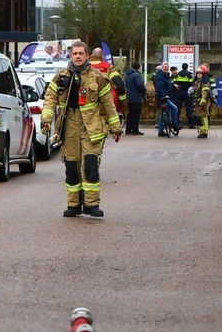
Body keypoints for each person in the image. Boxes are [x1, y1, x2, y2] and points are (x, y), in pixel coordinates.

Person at [40, 40, 122, 218]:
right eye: (74, 53)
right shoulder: (61, 76)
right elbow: (50, 99)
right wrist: (46, 119)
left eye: (81, 53)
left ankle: (92, 205)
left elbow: (108, 104)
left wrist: (116, 127)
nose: (77, 56)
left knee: (91, 165)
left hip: (91, 126)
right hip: (69, 126)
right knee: (71, 166)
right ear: (71, 55)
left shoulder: (98, 77)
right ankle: (74, 205)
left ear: (87, 55)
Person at [89, 47, 127, 127]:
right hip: (105, 100)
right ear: (102, 56)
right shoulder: (108, 67)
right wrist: (122, 102)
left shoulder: (84, 66)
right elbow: (119, 84)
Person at [151, 62, 178, 137]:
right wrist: (164, 95)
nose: (166, 68)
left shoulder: (166, 75)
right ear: (162, 68)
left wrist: (173, 85)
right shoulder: (159, 76)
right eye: (165, 67)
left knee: (163, 116)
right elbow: (159, 88)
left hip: (167, 96)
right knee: (174, 108)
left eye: (167, 67)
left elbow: (167, 84)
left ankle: (160, 131)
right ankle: (175, 124)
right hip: (164, 98)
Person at [124, 61, 147, 135]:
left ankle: (128, 129)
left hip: (130, 97)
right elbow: (140, 85)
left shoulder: (127, 75)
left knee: (130, 114)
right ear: (138, 67)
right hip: (137, 97)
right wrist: (144, 90)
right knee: (136, 114)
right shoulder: (136, 75)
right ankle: (135, 129)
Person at [172, 62, 195, 129]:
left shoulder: (178, 75)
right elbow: (192, 84)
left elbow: (174, 83)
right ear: (187, 67)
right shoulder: (189, 75)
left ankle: (176, 122)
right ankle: (191, 123)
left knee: (177, 108)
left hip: (179, 93)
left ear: (182, 67)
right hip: (187, 93)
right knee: (189, 108)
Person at [192, 65, 213, 138]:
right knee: (200, 117)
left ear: (203, 74)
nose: (198, 75)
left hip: (203, 102)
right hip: (198, 102)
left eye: (200, 73)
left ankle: (204, 132)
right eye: (197, 73)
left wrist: (202, 104)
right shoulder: (198, 81)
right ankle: (202, 131)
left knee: (203, 117)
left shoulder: (205, 82)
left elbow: (205, 94)